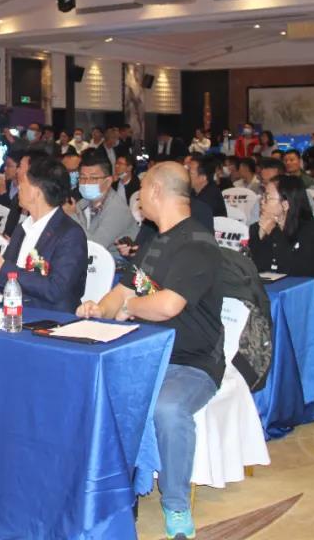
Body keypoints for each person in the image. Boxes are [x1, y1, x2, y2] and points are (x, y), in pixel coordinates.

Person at [76, 162, 223, 539]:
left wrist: (129, 308)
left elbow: (168, 304)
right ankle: (103, 488)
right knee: (89, 388)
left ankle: (175, 504)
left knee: (168, 409)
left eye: (141, 190)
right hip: (144, 355)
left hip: (190, 362)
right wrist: (100, 309)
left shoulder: (198, 243)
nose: (138, 198)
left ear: (156, 191)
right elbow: (123, 290)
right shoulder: (154, 240)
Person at [0, 156, 88, 313]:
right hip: (15, 313)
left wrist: (2, 267)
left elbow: (56, 289)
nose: (18, 186)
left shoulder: (70, 234)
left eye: (23, 182)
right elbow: (7, 278)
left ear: (36, 192)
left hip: (52, 318)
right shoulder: (22, 228)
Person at [249, 175, 314, 325]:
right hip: (269, 302)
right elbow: (257, 268)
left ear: (285, 204)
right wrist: (262, 238)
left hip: (305, 307)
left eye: (268, 198)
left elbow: (296, 271)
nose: (262, 202)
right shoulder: (259, 227)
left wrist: (273, 233)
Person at [69, 149, 140, 257]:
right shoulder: (83, 202)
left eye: (93, 178)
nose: (86, 183)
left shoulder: (118, 210)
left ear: (107, 181)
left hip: (116, 263)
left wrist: (72, 215)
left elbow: (94, 248)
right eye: (82, 178)